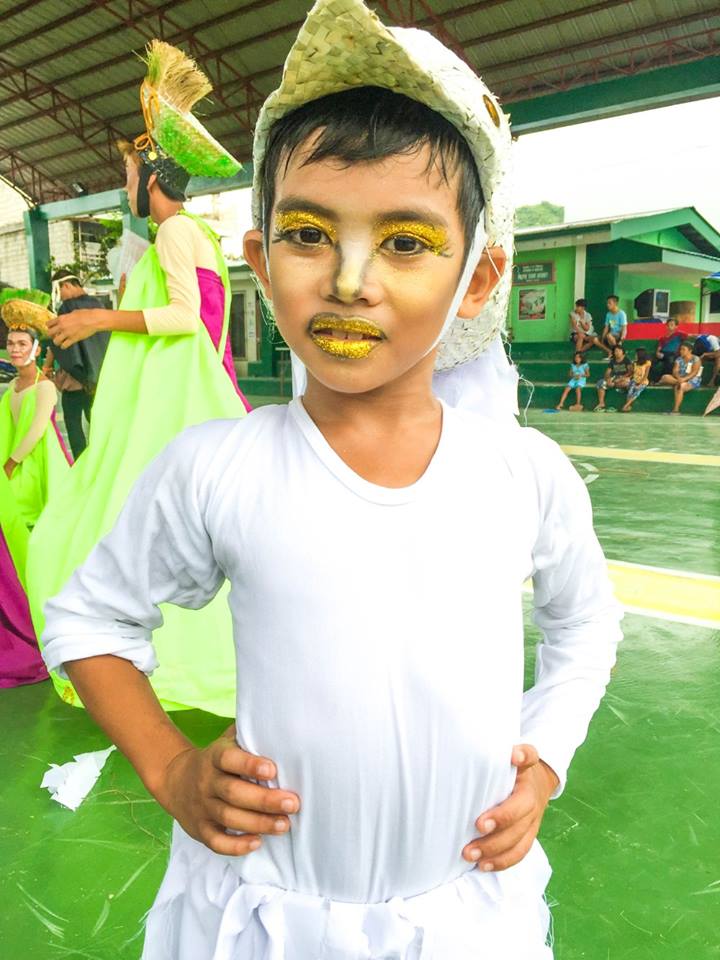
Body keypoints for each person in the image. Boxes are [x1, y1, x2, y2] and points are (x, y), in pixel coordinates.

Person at [40, 4, 622, 958]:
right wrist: (172, 769)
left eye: (406, 242)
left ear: (479, 281)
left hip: (464, 917)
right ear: (260, 260)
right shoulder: (217, 467)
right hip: (264, 918)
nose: (351, 280)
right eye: (310, 234)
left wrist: (546, 758)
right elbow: (90, 620)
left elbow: (586, 625)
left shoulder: (522, 473)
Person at [27, 41, 251, 714]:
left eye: (128, 172)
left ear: (153, 176)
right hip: (168, 399)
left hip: (175, 406)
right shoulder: (178, 238)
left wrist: (99, 318)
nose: (125, 185)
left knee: (114, 520)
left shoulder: (178, 233)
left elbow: (184, 319)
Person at [0, 301, 71, 687]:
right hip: (13, 475)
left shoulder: (44, 387)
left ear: (37, 347)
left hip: (37, 472)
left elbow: (37, 429)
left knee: (40, 542)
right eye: (11, 343)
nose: (15, 349)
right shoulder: (11, 388)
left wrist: (11, 463)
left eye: (22, 343)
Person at [41, 268, 110, 458]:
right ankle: (101, 460)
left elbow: (58, 343)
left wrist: (46, 367)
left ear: (66, 286)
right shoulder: (99, 306)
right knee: (97, 422)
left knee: (73, 425)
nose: (60, 297)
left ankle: (80, 464)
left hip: (74, 381)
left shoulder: (66, 309)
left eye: (59, 291)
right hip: (98, 379)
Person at [659, 341, 702, 414]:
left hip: (693, 379)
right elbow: (675, 371)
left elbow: (694, 372)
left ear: (690, 351)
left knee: (680, 386)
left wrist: (684, 379)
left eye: (683, 349)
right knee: (665, 377)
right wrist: (679, 378)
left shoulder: (696, 359)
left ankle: (675, 410)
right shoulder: (679, 359)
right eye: (680, 349)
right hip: (680, 378)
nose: (681, 351)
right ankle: (678, 383)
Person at [650, 316, 689, 382]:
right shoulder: (662, 338)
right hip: (663, 353)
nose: (669, 326)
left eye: (672, 325)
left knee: (670, 360)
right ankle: (652, 380)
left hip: (673, 354)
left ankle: (664, 379)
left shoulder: (679, 334)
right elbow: (659, 347)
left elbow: (689, 336)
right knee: (650, 361)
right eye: (668, 325)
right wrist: (657, 353)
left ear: (676, 326)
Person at [594, 344, 632, 411]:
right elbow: (607, 372)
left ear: (622, 352)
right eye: (615, 351)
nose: (617, 352)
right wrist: (608, 379)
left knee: (627, 384)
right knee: (600, 383)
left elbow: (630, 372)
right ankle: (601, 403)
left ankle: (627, 404)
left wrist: (621, 378)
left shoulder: (627, 360)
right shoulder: (612, 361)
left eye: (619, 351)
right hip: (614, 378)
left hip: (624, 378)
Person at [621, 347, 651, 412]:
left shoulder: (647, 363)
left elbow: (646, 375)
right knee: (630, 392)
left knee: (636, 392)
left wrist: (640, 384)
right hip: (634, 380)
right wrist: (627, 378)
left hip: (643, 381)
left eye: (636, 354)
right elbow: (632, 373)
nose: (635, 356)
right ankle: (628, 406)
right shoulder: (634, 363)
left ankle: (625, 406)